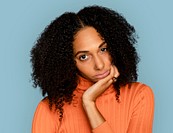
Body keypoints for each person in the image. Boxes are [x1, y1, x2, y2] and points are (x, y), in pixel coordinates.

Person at [30, 5, 154, 133]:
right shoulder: (49, 110)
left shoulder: (139, 96)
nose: (99, 65)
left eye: (103, 49)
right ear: (68, 62)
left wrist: (89, 104)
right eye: (84, 57)